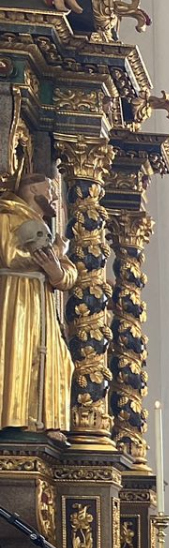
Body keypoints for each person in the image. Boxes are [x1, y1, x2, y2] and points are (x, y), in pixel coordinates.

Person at [0, 169, 75, 438]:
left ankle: (46, 420)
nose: (54, 196)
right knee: (18, 350)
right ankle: (14, 418)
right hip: (15, 296)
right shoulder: (7, 216)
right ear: (32, 190)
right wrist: (51, 256)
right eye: (50, 190)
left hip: (43, 301)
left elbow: (67, 272)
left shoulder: (46, 228)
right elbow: (10, 256)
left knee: (60, 359)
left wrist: (57, 272)